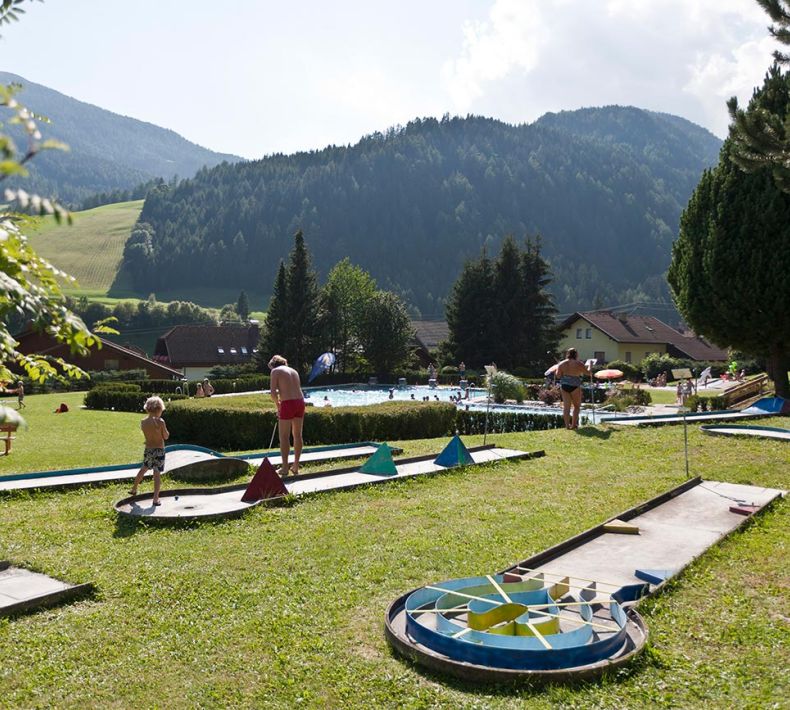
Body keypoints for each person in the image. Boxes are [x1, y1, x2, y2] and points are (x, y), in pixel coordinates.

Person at [129, 396, 169, 505]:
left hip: (148, 449)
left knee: (143, 468)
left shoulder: (143, 422)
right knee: (156, 474)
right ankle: (156, 498)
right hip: (159, 450)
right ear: (159, 409)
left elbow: (147, 435)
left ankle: (134, 488)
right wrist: (163, 430)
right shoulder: (161, 421)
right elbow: (165, 436)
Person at [268, 354, 305, 476]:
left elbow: (273, 393)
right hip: (300, 402)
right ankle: (295, 466)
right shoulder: (294, 371)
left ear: (273, 364)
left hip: (288, 403)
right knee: (297, 435)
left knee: (284, 436)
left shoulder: (275, 371)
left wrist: (278, 406)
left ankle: (284, 468)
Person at [555, 347, 591, 430]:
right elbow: (589, 373)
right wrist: (590, 366)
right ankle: (574, 425)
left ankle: (567, 426)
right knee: (577, 406)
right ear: (576, 355)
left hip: (564, 385)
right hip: (575, 386)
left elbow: (558, 376)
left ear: (567, 354)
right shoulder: (579, 363)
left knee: (566, 407)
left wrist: (558, 368)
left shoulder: (561, 364)